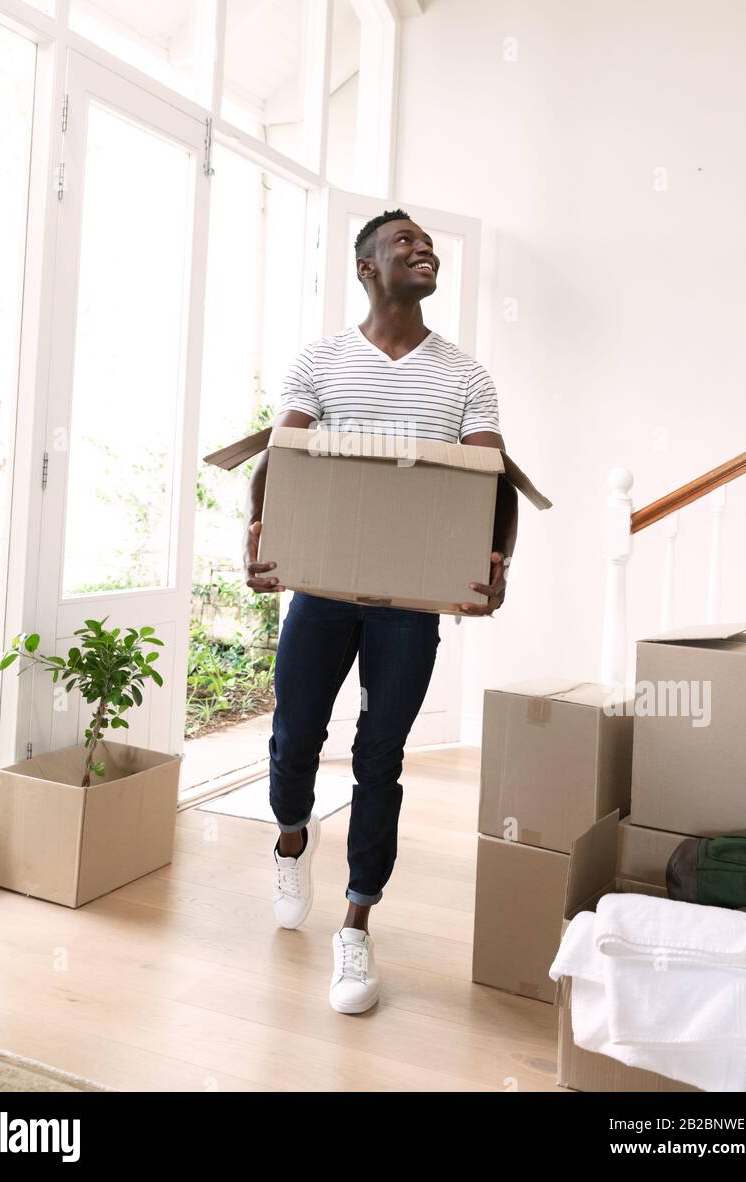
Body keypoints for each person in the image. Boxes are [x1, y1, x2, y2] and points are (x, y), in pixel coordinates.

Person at [243, 209, 518, 1014]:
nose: (422, 248)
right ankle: (293, 836)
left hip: (407, 604)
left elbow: (491, 479)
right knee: (295, 738)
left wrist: (495, 562)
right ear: (367, 267)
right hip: (322, 592)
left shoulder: (465, 376)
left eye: (427, 243)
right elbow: (280, 458)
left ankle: (357, 922)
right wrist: (262, 539)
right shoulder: (322, 361)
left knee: (380, 758)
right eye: (404, 242)